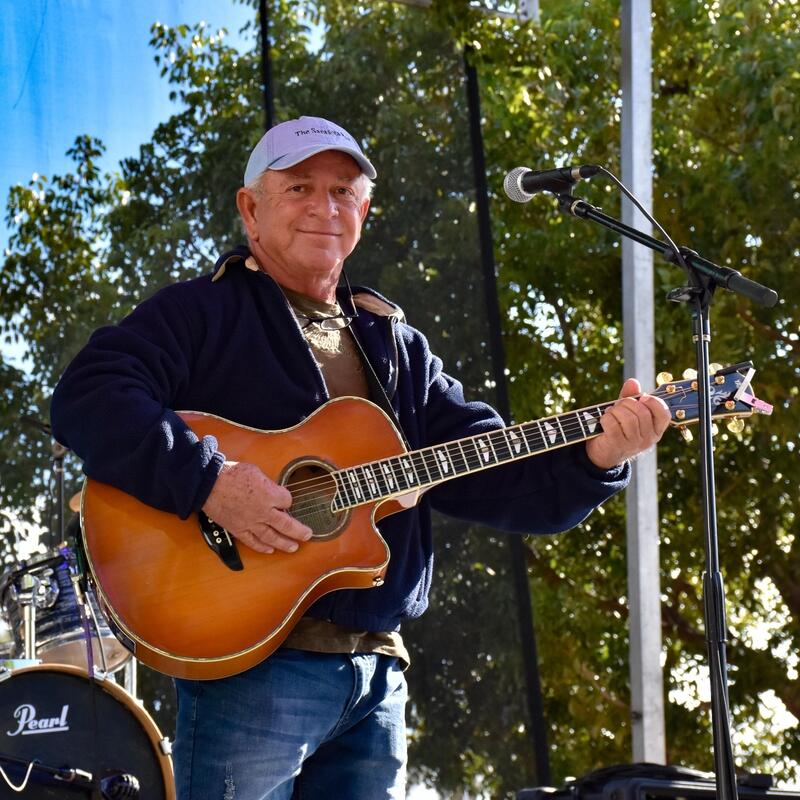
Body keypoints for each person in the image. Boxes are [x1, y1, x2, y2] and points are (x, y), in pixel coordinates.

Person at [50, 115, 671, 800]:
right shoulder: (201, 312)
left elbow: (496, 475)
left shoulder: (394, 343)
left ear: (364, 213)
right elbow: (88, 395)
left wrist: (599, 455)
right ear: (250, 209)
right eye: (299, 188)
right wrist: (211, 482)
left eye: (343, 191)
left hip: (377, 678)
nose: (325, 207)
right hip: (252, 672)